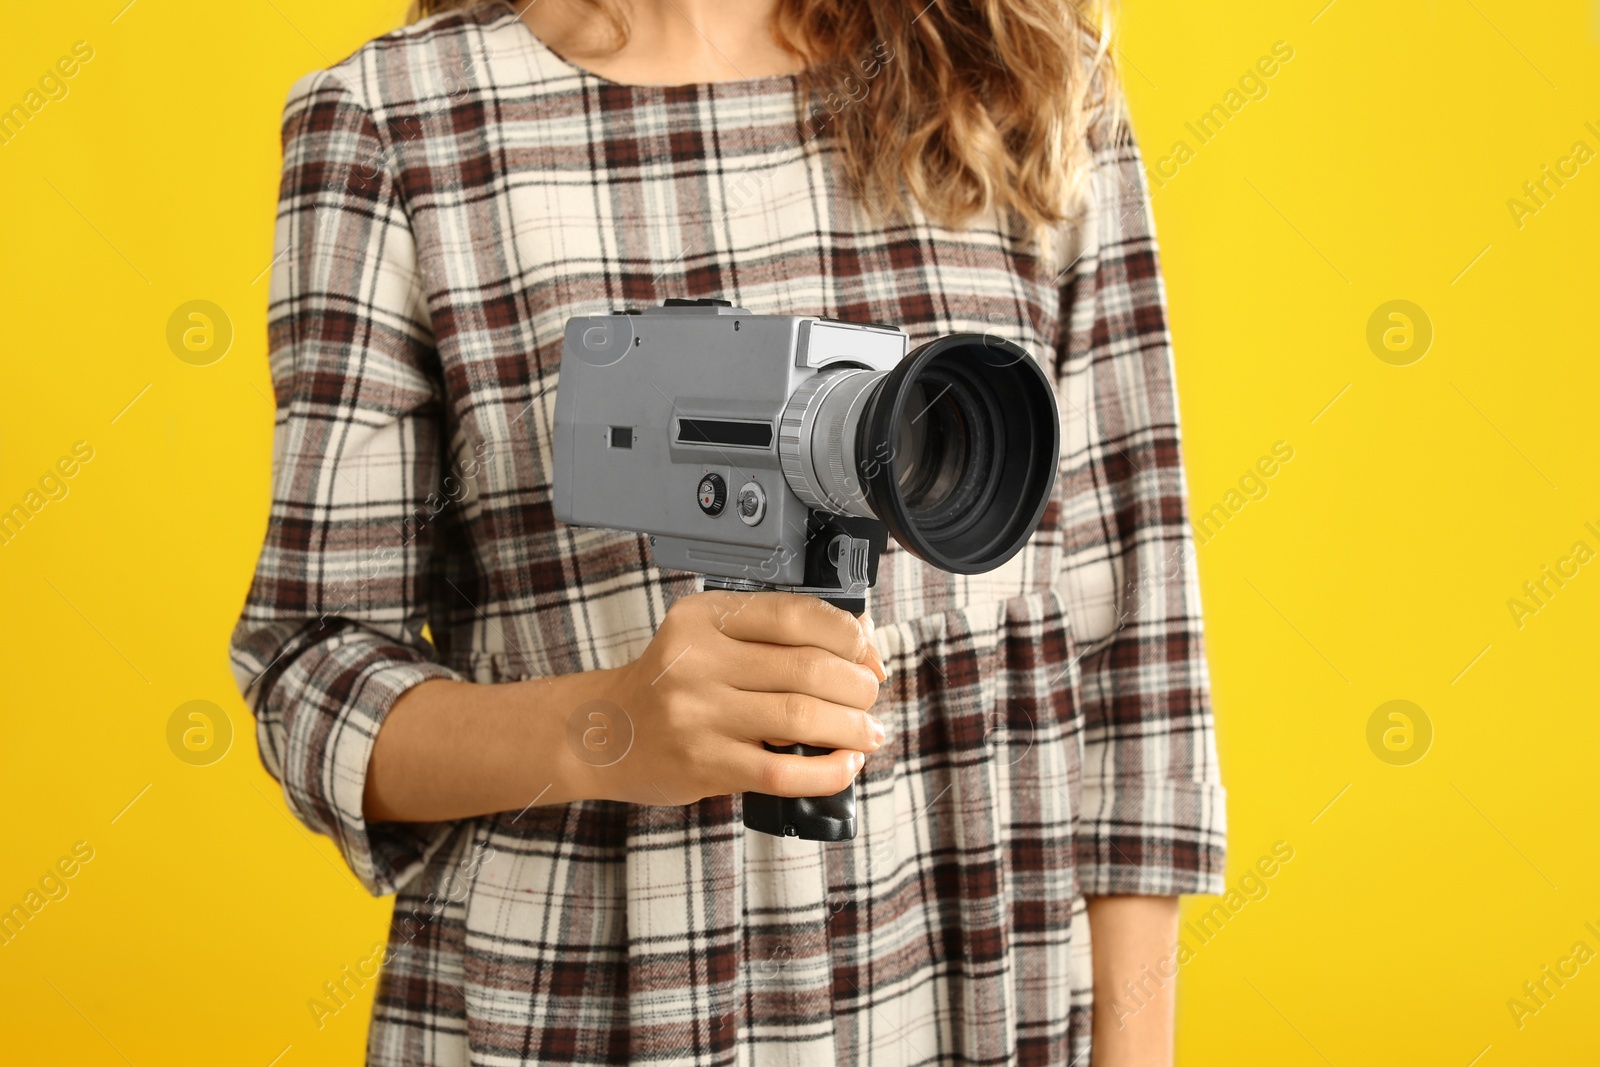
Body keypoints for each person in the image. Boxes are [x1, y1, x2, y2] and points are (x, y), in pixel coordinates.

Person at [229, 0, 1225, 1063]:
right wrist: (607, 725)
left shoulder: (1018, 80)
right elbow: (308, 674)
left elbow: (1138, 651)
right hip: (588, 1007)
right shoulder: (401, 120)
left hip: (979, 991)